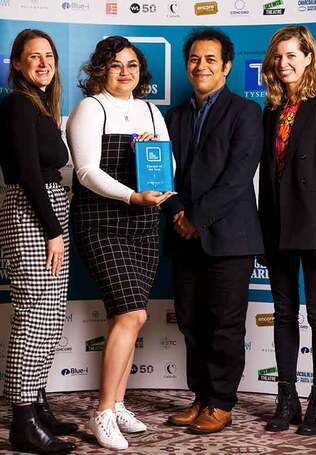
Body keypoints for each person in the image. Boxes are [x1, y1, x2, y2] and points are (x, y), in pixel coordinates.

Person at [67, 36, 173, 450]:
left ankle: (117, 401)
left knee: (125, 318)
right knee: (133, 315)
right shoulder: (90, 109)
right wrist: (132, 195)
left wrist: (159, 184)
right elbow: (87, 172)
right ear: (101, 71)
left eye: (131, 65)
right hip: (102, 221)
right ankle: (103, 412)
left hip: (145, 223)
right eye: (115, 65)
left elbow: (167, 161)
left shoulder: (149, 110)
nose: (125, 72)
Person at [162, 29, 263, 435]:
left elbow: (239, 177)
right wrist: (176, 212)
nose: (200, 66)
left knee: (223, 324)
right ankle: (201, 396)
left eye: (210, 59)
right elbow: (162, 173)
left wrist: (196, 218)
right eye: (194, 59)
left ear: (226, 67)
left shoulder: (245, 112)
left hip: (229, 239)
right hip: (183, 234)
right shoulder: (176, 116)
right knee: (190, 320)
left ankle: (221, 402)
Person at [258, 25, 316, 435]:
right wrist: (261, 231)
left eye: (293, 55)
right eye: (278, 56)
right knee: (283, 313)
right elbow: (265, 177)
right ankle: (286, 396)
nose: (284, 63)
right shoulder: (271, 109)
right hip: (276, 227)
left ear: (309, 58)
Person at [0, 28, 76, 455]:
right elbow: (29, 173)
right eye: (34, 56)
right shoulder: (16, 105)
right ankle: (22, 420)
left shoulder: (39, 107)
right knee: (34, 315)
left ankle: (39, 404)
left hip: (46, 209)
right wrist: (52, 231)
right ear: (16, 64)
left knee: (49, 315)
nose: (44, 62)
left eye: (49, 55)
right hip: (33, 213)